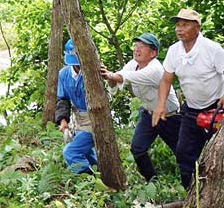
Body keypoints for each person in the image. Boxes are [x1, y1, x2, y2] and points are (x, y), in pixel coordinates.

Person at [152, 8, 224, 189]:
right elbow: (166, 80)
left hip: (217, 108)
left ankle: (222, 190)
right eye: (178, 25)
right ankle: (191, 194)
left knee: (220, 154)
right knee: (184, 153)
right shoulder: (174, 51)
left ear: (197, 27)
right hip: (191, 110)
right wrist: (160, 106)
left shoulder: (211, 49)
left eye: (185, 25)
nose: (179, 29)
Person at [100, 33, 181, 182]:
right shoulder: (133, 64)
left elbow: (126, 77)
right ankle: (152, 181)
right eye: (136, 46)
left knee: (182, 153)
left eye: (142, 47)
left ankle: (192, 183)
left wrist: (111, 76)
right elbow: (119, 77)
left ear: (153, 53)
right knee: (137, 148)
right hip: (148, 114)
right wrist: (109, 78)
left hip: (169, 116)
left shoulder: (155, 69)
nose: (137, 50)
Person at [55, 38, 98, 175]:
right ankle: (99, 174)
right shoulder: (64, 74)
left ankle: (86, 178)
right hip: (78, 119)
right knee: (87, 152)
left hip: (95, 120)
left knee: (71, 152)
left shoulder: (95, 73)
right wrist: (63, 121)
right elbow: (63, 99)